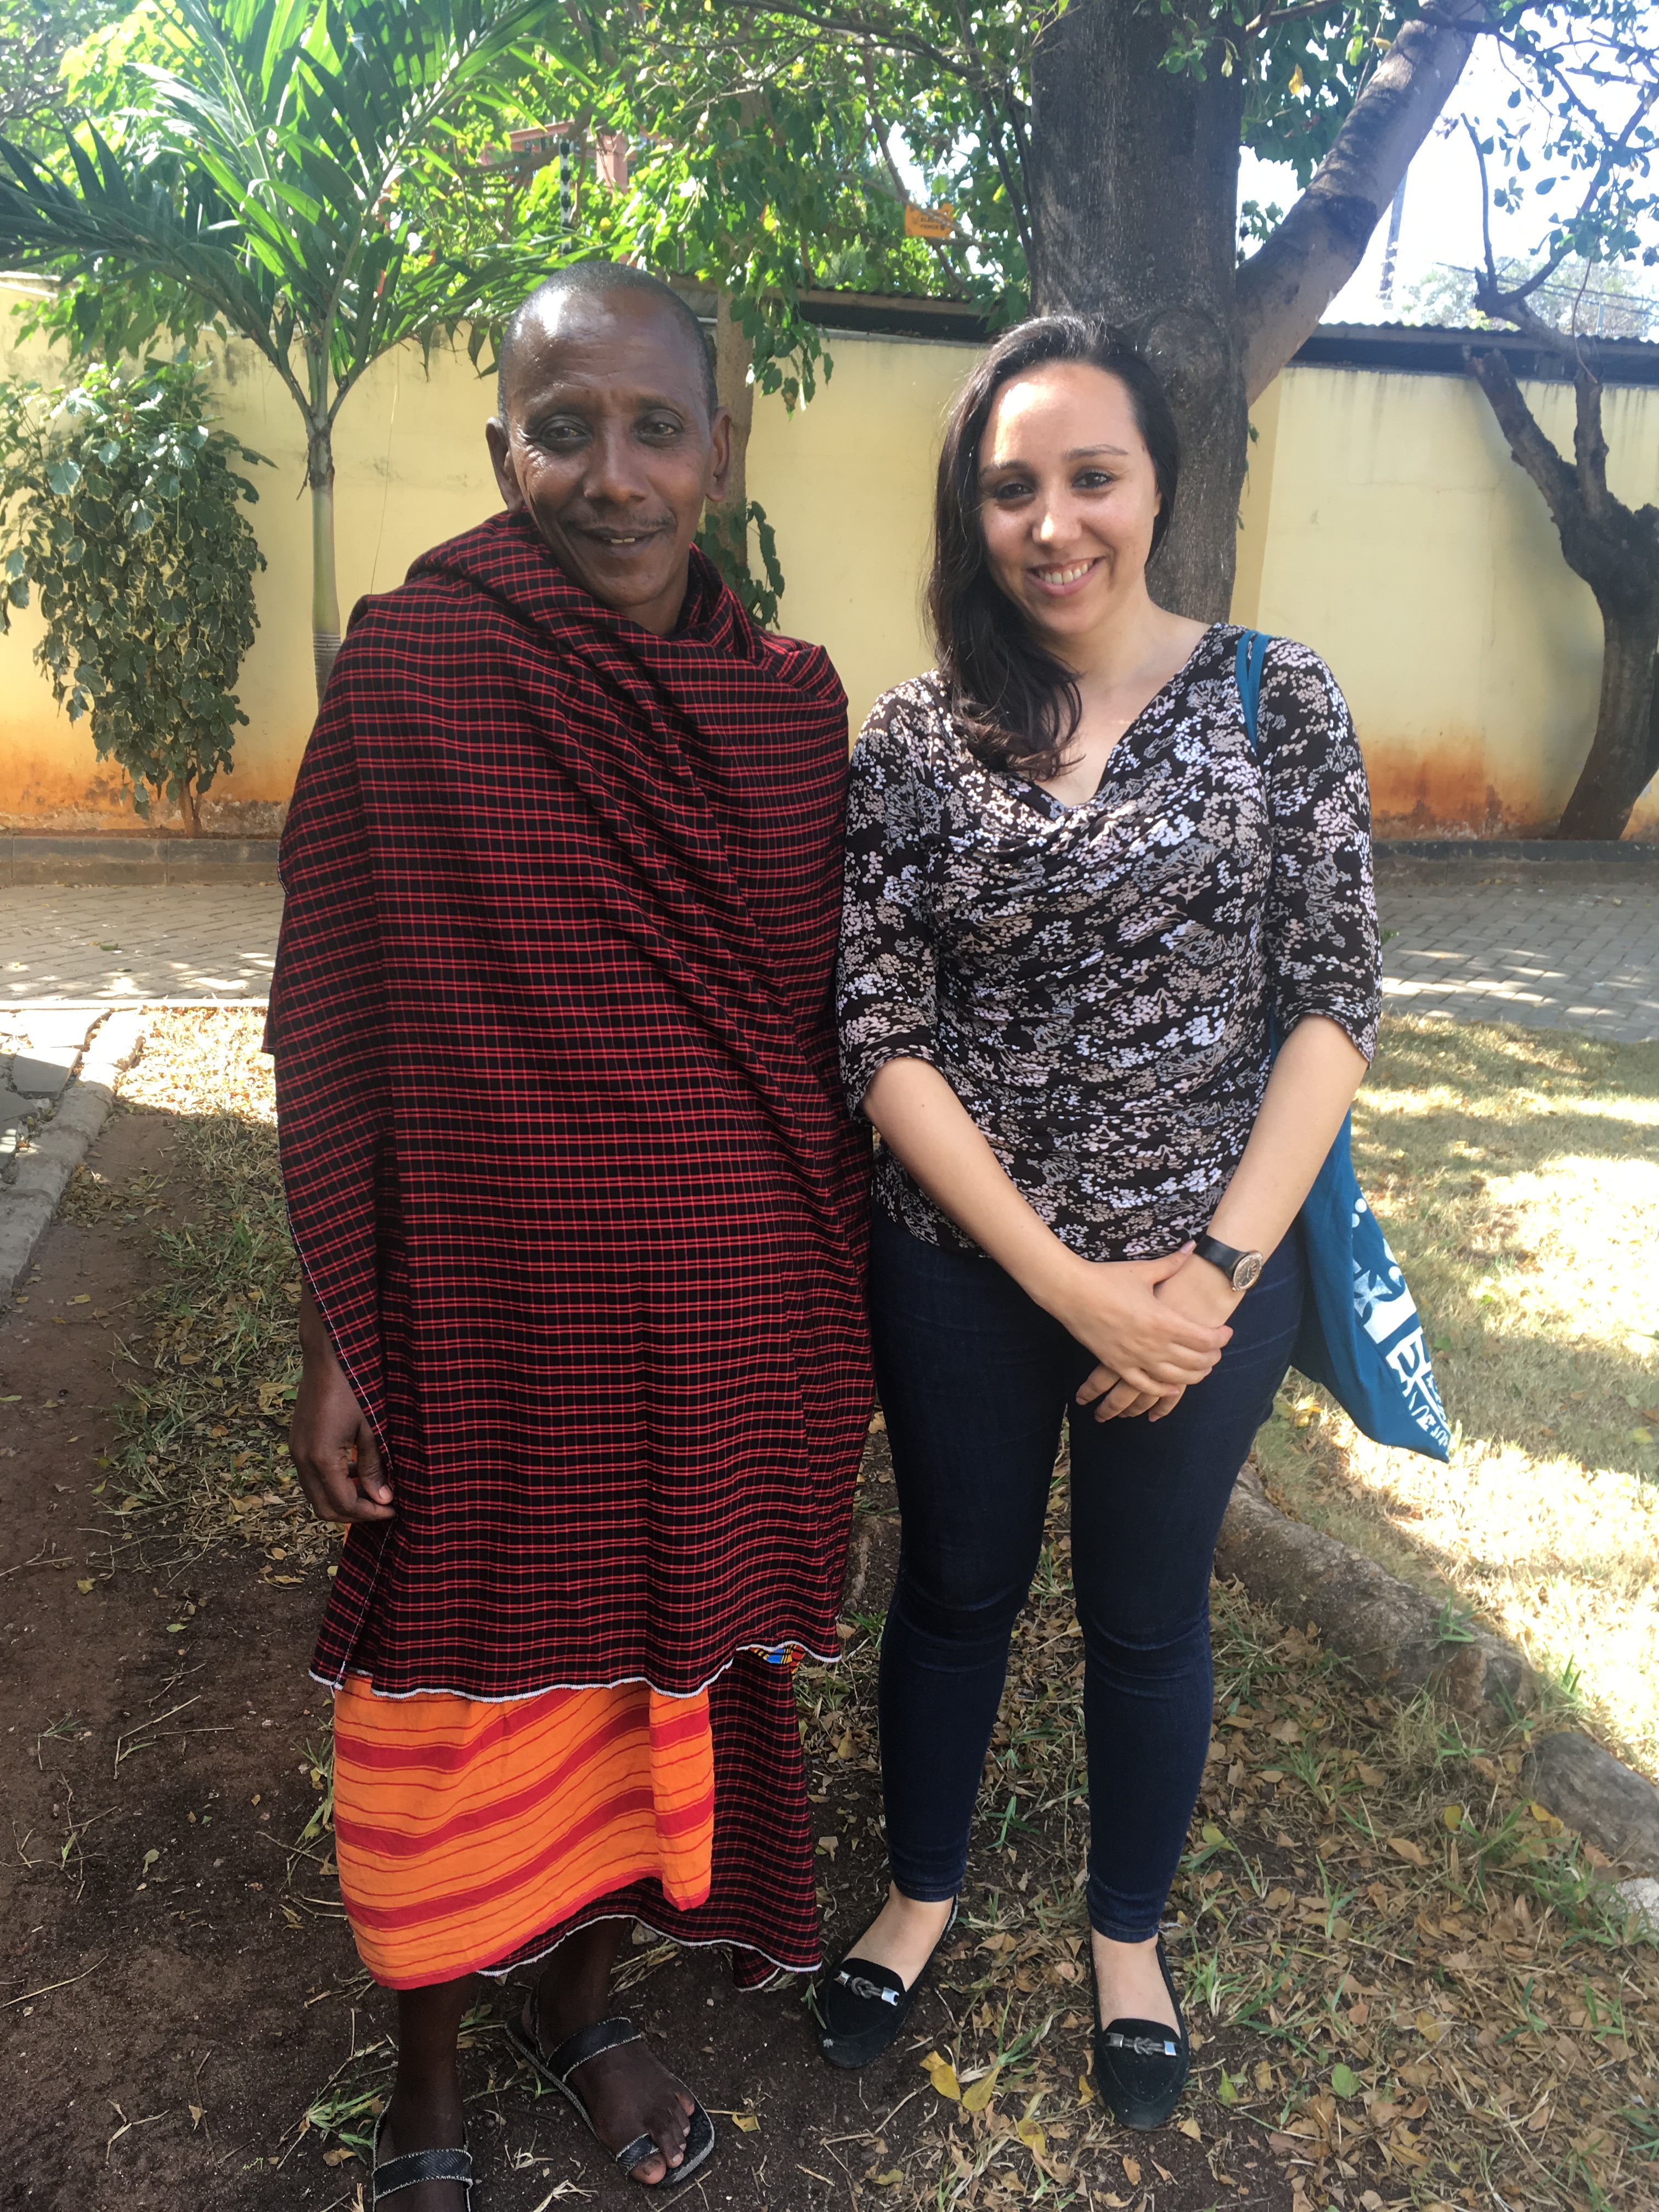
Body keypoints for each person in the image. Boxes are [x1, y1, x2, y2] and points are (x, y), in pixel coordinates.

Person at [270, 263, 872, 2207]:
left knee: (645, 1684)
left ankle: (586, 2006)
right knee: (448, 1696)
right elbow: (336, 1011)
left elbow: (813, 1033)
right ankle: (428, 2072)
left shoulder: (784, 711)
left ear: (724, 450)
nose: (612, 476)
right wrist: (334, 1334)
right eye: (563, 429)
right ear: (500, 448)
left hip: (716, 1313)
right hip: (481, 1310)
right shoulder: (412, 673)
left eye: (654, 428)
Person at [824, 316, 1381, 2129]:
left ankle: (1127, 1938)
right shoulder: (915, 736)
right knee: (956, 1588)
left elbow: (1331, 1002)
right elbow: (879, 1029)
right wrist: (1070, 1288)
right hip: (965, 1270)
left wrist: (1207, 1280)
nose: (1052, 523)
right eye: (1012, 487)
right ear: (969, 509)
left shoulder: (1274, 699)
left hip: (1203, 1281)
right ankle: (919, 1894)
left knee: (1147, 1617)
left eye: (1092, 477)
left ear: (1158, 486)